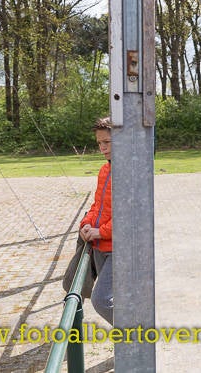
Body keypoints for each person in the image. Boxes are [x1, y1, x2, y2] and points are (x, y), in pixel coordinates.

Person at [78, 116, 114, 325]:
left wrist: (101, 232)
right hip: (99, 247)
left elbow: (130, 216)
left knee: (101, 300)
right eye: (99, 143)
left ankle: (138, 338)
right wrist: (86, 224)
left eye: (107, 142)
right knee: (114, 299)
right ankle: (128, 340)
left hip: (118, 250)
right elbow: (98, 205)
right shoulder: (104, 170)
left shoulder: (129, 172)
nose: (102, 147)